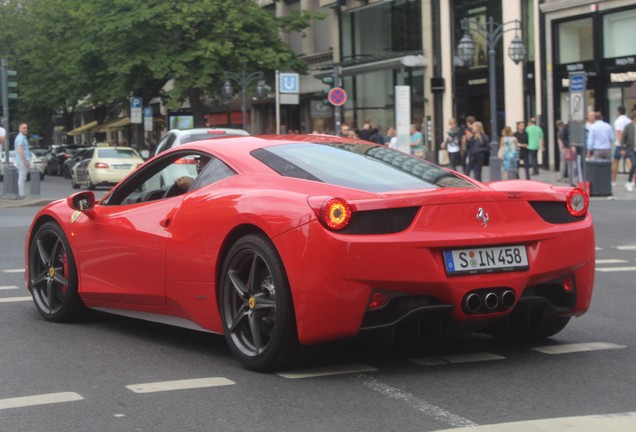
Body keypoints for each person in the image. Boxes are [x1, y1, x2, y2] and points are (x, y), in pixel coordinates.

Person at [612, 106, 631, 186]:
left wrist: (621, 145)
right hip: (628, 144)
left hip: (620, 145)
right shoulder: (629, 121)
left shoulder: (618, 121)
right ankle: (633, 178)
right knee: (628, 161)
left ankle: (614, 180)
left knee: (616, 161)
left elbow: (619, 133)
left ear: (618, 112)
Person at [15, 123, 31, 199]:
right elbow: (20, 149)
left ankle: (21, 194)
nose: (25, 129)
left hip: (21, 160)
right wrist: (25, 161)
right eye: (23, 128)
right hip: (22, 161)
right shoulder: (20, 138)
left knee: (22, 177)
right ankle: (21, 195)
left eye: (26, 128)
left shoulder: (22, 137)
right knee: (22, 177)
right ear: (20, 129)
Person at [621, 111, 636, 192]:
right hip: (630, 149)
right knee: (633, 165)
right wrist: (623, 148)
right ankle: (629, 181)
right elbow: (623, 138)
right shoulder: (628, 126)